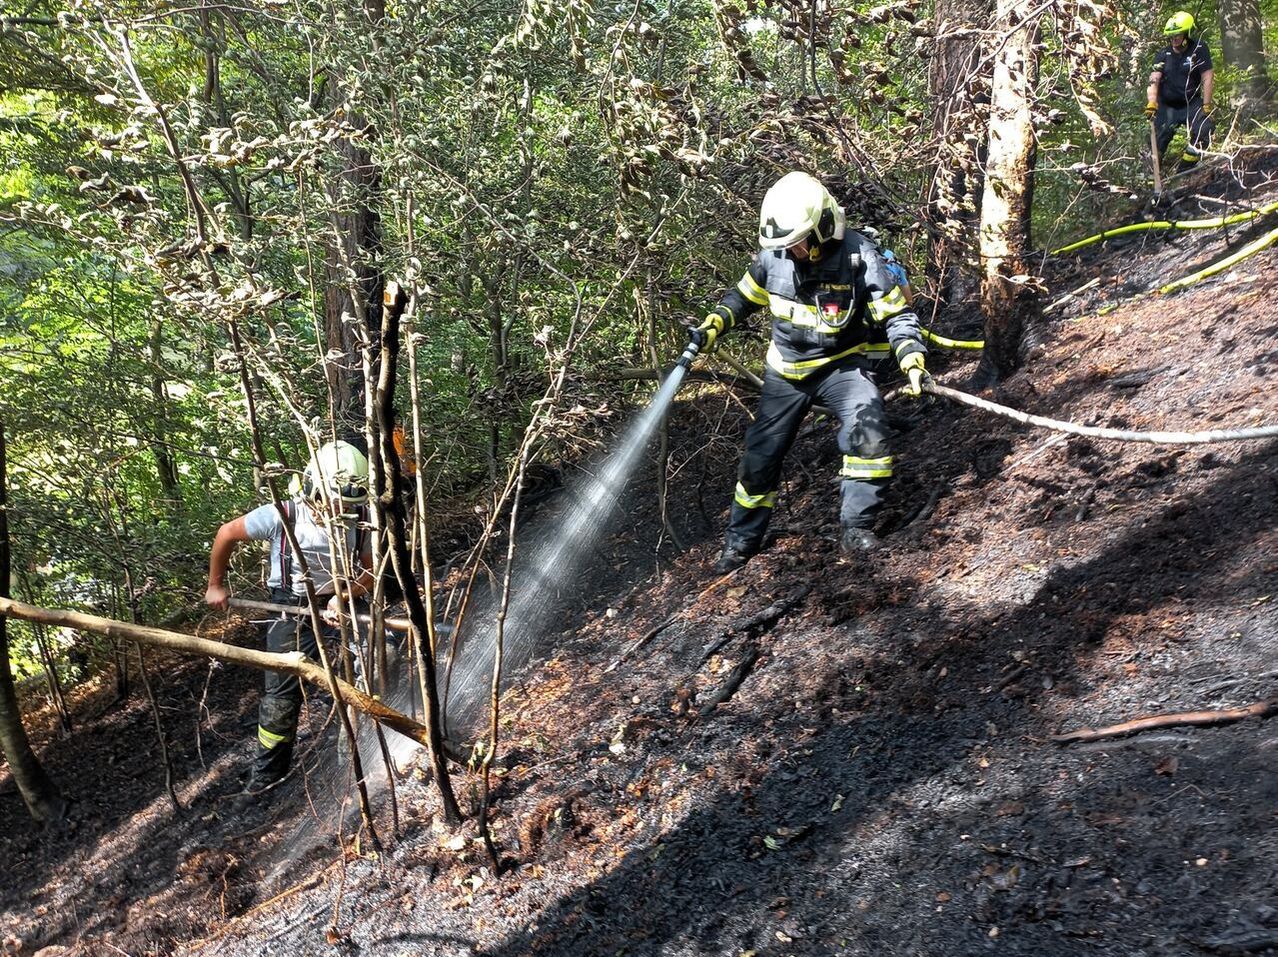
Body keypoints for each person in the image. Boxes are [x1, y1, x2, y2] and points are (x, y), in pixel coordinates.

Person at [690, 171, 929, 575]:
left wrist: (911, 358)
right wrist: (714, 325)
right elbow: (742, 298)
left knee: (869, 434)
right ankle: (740, 544)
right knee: (759, 459)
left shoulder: (858, 256)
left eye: (798, 242)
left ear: (823, 226)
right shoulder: (774, 256)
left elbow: (897, 315)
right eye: (786, 244)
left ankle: (857, 530)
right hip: (785, 374)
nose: (792, 251)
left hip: (842, 368)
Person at [205, 440, 374, 795]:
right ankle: (266, 778)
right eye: (335, 500)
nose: (341, 509)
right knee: (281, 695)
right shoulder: (283, 513)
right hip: (290, 606)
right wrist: (215, 584)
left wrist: (344, 596)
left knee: (373, 662)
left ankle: (355, 760)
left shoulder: (360, 519)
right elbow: (226, 533)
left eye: (348, 502)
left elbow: (370, 572)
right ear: (314, 486)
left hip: (342, 601)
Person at [1146, 12, 1215, 173]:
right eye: (1171, 36)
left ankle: (1183, 172)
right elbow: (1154, 80)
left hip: (1191, 103)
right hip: (1167, 105)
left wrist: (1206, 105)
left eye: (1177, 35)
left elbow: (1207, 77)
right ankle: (1153, 180)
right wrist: (1152, 103)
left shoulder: (1199, 49)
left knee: (1205, 129)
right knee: (1155, 142)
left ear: (1187, 33)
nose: (1174, 39)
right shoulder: (1163, 55)